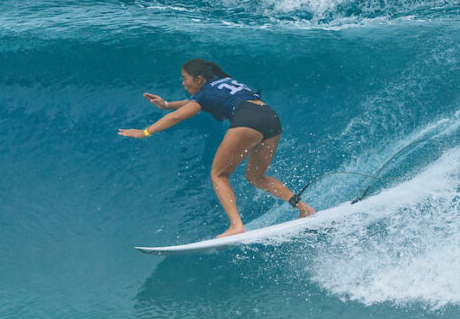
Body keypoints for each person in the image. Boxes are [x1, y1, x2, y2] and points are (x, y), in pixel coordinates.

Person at [119, 59, 315, 238]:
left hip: (247, 119)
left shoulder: (204, 94)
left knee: (219, 175)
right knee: (256, 177)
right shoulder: (223, 83)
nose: (183, 83)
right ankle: (304, 208)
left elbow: (178, 116)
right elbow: (197, 102)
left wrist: (145, 132)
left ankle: (236, 225)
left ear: (198, 79)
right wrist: (167, 104)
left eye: (184, 79)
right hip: (270, 118)